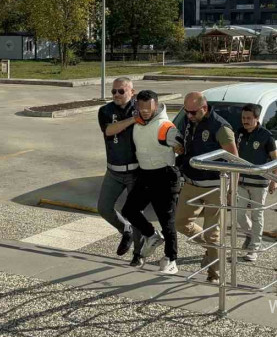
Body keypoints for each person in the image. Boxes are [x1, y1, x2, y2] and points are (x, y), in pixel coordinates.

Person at [174, 91, 238, 283]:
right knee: (180, 222)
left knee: (213, 234)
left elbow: (235, 160)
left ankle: (215, 276)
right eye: (186, 111)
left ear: (204, 107)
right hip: (191, 182)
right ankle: (212, 252)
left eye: (193, 112)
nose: (189, 116)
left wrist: (231, 191)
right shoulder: (188, 121)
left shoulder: (220, 127)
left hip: (214, 186)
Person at [120, 90, 183, 274]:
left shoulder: (165, 126)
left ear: (156, 105)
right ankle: (151, 235)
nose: (145, 111)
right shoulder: (138, 123)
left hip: (165, 176)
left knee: (167, 221)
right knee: (129, 210)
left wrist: (180, 150)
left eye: (148, 107)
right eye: (141, 107)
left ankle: (171, 259)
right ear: (137, 105)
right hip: (145, 174)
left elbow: (181, 145)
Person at [97, 77, 145, 265]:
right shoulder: (105, 111)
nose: (116, 95)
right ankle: (125, 229)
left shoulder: (140, 108)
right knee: (103, 207)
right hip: (114, 171)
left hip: (135, 171)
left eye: (121, 91)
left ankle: (138, 253)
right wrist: (133, 120)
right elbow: (109, 130)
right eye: (113, 91)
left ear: (132, 92)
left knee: (135, 213)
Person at [236, 103, 277, 262]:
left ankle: (254, 248)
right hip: (241, 181)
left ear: (257, 118)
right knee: (238, 214)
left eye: (248, 118)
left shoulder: (266, 136)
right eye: (243, 118)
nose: (245, 121)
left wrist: (274, 180)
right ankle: (251, 235)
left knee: (257, 215)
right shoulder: (239, 133)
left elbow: (275, 160)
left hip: (260, 183)